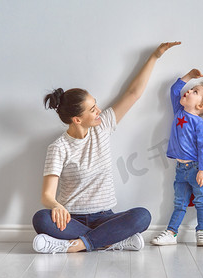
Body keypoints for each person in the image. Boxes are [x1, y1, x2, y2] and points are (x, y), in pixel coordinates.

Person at [32, 42, 181, 254]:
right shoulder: (58, 148)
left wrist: (155, 56)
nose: (99, 111)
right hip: (71, 218)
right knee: (41, 219)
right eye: (92, 109)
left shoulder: (102, 126)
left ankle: (77, 245)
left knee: (142, 216)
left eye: (96, 104)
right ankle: (110, 241)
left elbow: (133, 94)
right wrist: (56, 206)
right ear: (77, 119)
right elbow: (47, 195)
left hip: (105, 217)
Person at [151, 69, 203, 247]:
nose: (188, 91)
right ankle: (171, 233)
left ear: (200, 106)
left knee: (201, 201)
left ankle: (202, 232)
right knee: (179, 203)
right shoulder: (179, 111)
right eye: (191, 89)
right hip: (181, 170)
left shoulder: (201, 125)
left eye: (195, 92)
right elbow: (174, 90)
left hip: (196, 169)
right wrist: (189, 77)